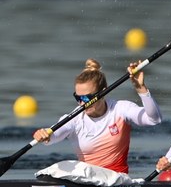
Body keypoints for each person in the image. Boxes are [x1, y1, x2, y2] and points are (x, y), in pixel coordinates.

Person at [33, 58, 162, 174]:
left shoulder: (120, 109)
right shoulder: (74, 118)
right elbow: (54, 136)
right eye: (78, 97)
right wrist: (45, 135)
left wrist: (141, 88)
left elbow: (154, 119)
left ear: (104, 91)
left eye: (87, 97)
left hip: (117, 181)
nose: (82, 103)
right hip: (87, 180)